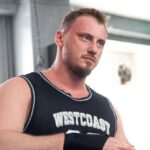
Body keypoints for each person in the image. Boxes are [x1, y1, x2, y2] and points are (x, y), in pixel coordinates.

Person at [0, 8, 135, 150]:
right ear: (60, 38)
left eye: (100, 43)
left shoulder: (108, 108)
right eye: (85, 37)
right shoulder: (21, 89)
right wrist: (72, 142)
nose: (94, 49)